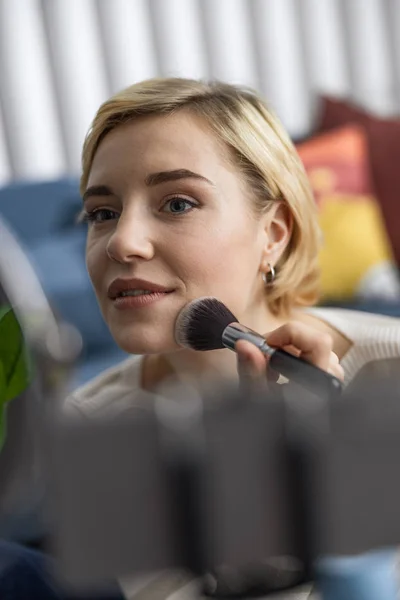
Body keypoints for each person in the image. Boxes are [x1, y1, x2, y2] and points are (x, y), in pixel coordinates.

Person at [64, 78, 400, 599]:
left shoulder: (390, 370)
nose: (123, 243)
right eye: (102, 213)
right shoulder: (96, 425)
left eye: (177, 204)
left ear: (273, 235)